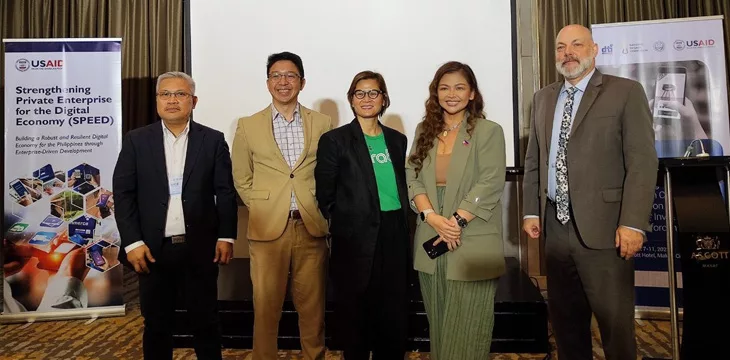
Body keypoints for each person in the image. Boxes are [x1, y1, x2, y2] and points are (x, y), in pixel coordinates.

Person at [522, 24, 658, 360]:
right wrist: (530, 210)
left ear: (594, 49)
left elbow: (641, 162)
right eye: (560, 47)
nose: (567, 53)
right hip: (555, 229)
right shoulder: (542, 98)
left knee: (615, 328)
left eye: (576, 45)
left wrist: (633, 223)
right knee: (567, 326)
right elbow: (534, 160)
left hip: (608, 229)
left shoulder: (624, 92)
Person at [113, 71, 238, 360]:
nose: (172, 100)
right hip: (152, 249)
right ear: (156, 100)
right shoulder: (136, 141)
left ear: (193, 101)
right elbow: (123, 194)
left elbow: (226, 192)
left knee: (205, 323)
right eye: (165, 94)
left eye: (180, 94)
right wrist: (132, 242)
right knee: (157, 325)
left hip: (200, 247)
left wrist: (226, 235)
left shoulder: (213, 140)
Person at [231, 51, 331, 360]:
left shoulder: (323, 122)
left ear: (302, 82)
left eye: (290, 76)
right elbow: (241, 177)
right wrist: (263, 207)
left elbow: (329, 173)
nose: (283, 81)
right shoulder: (248, 126)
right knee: (265, 308)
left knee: (313, 308)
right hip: (266, 230)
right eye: (276, 76)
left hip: (310, 226)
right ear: (267, 83)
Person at [405, 61, 506, 360]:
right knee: (440, 327)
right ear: (435, 93)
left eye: (460, 87)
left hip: (471, 238)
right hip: (432, 236)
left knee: (468, 328)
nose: (452, 94)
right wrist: (432, 217)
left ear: (472, 93)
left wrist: (456, 221)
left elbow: (490, 182)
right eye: (444, 87)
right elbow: (412, 176)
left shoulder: (488, 131)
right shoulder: (425, 130)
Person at [315, 71, 410, 359]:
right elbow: (325, 194)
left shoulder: (397, 139)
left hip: (394, 232)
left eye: (373, 93)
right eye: (360, 93)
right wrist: (347, 223)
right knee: (356, 315)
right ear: (351, 99)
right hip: (354, 240)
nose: (366, 99)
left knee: (392, 312)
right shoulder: (335, 140)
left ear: (384, 99)